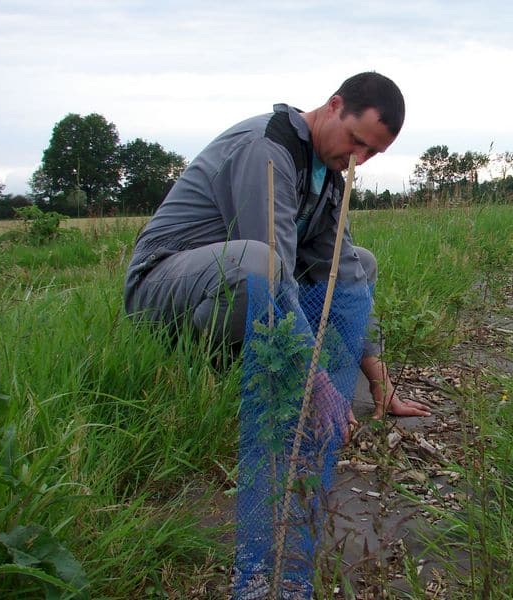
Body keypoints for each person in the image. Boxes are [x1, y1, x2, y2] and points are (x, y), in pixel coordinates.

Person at [123, 72, 430, 436]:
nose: (358, 159)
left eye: (372, 153)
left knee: (360, 262)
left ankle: (273, 370)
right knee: (260, 265)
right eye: (356, 141)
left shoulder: (330, 172)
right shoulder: (266, 148)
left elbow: (344, 273)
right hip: (164, 286)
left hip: (232, 286)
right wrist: (315, 386)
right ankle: (215, 373)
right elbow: (277, 278)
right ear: (334, 106)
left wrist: (381, 381)